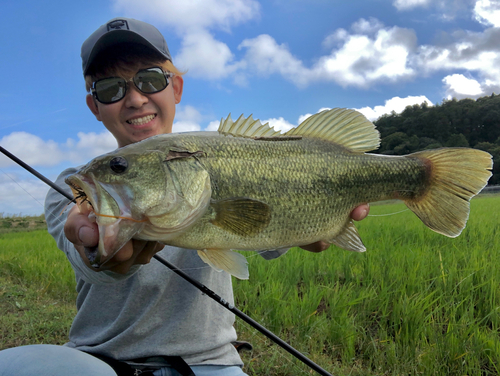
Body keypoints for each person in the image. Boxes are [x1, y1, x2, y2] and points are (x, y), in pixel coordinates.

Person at [0, 17, 369, 376]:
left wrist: (315, 226)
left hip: (211, 361)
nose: (135, 98)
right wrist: (96, 253)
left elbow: (266, 232)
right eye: (111, 89)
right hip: (98, 360)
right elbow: (85, 256)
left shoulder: (227, 155)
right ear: (94, 106)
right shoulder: (75, 184)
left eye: (149, 79)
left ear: (175, 88)